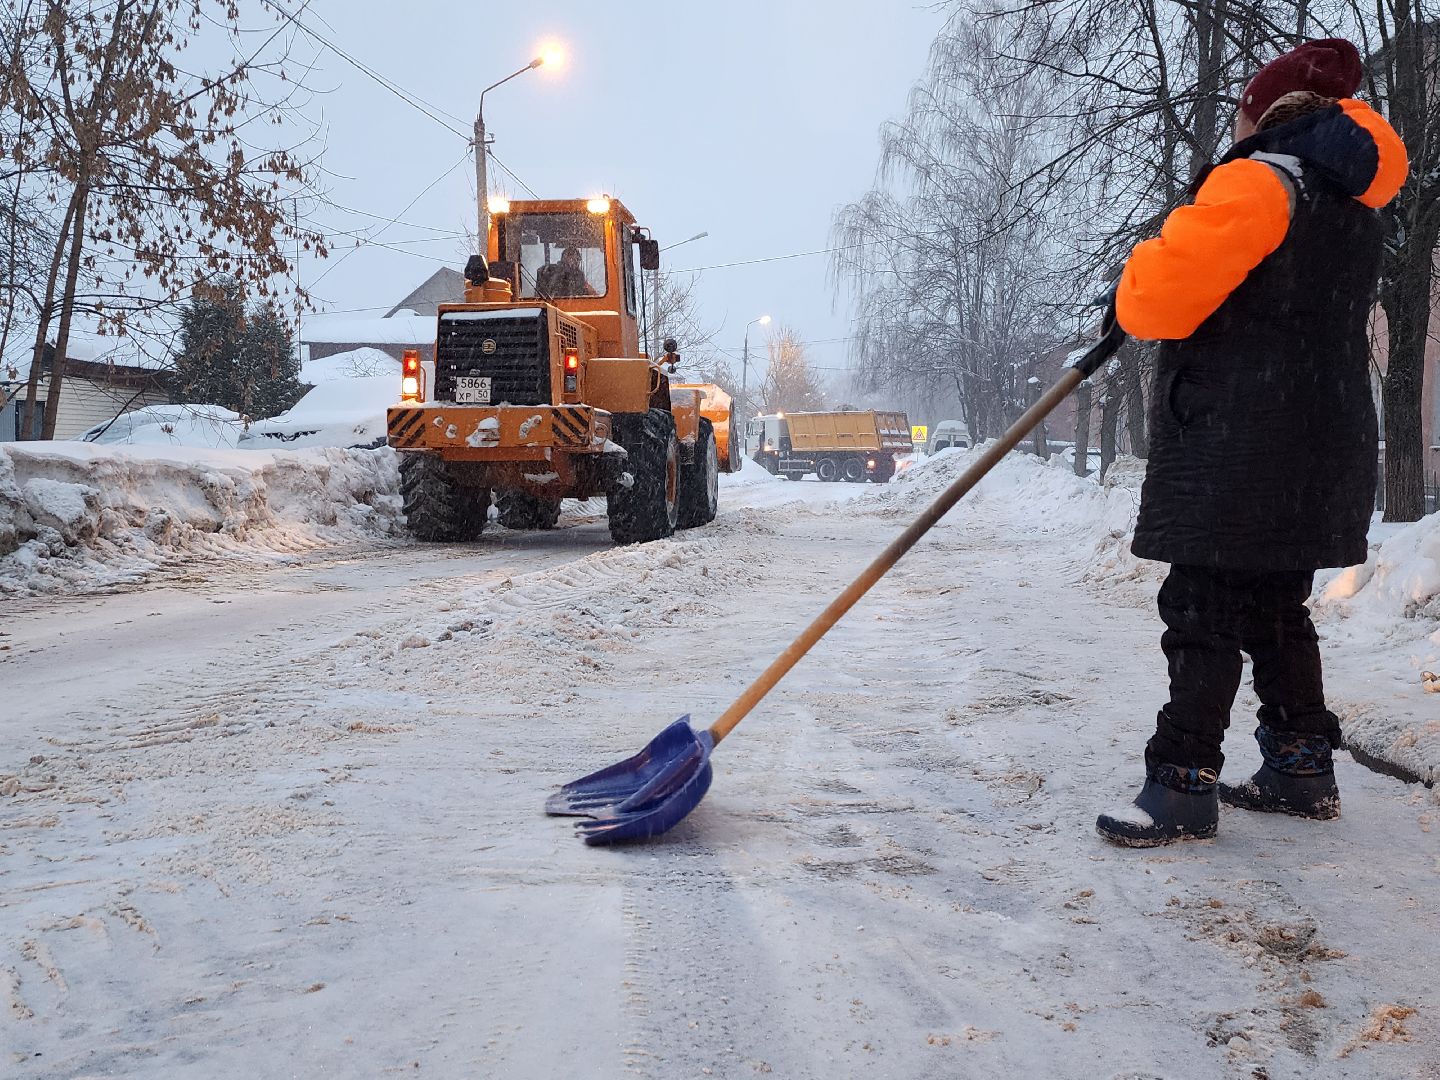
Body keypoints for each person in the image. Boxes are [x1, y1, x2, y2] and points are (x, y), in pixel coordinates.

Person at [1095, 39, 1409, 847]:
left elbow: (1160, 301)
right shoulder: (1351, 206)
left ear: (1261, 113)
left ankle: (1180, 782)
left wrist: (1132, 277)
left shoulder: (1260, 181)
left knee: (1203, 606)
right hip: (1316, 439)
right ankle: (1303, 766)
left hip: (1240, 442)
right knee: (1275, 608)